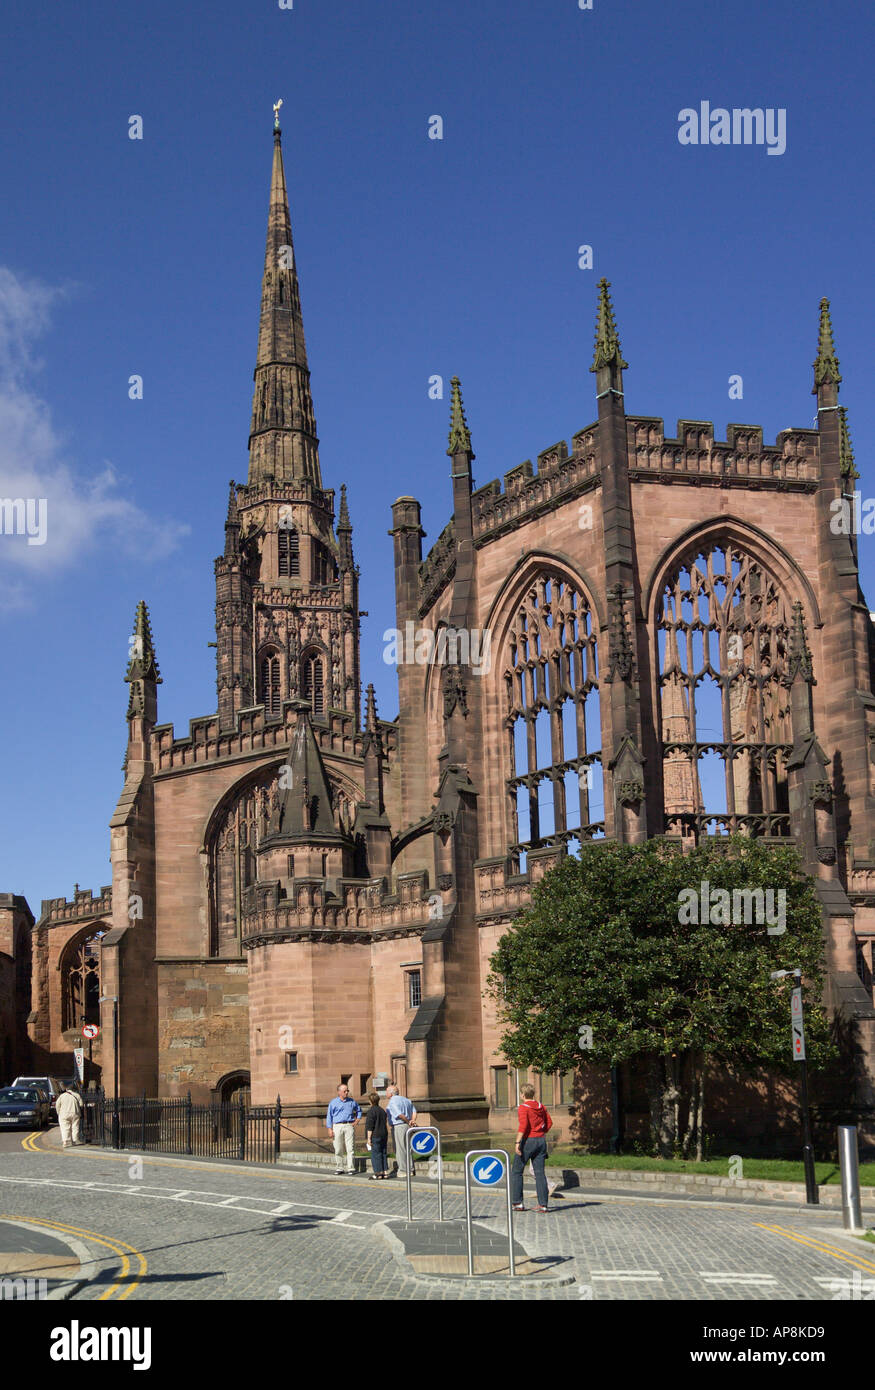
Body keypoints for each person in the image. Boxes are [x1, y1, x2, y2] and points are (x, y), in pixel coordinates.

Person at [511, 1082, 553, 1212]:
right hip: (541, 1141)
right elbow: (550, 1123)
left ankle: (518, 1203)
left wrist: (517, 1142)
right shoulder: (541, 1106)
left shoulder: (523, 1108)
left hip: (528, 1141)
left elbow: (523, 1126)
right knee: (540, 1173)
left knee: (517, 1171)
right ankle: (543, 1205)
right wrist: (541, 1132)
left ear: (522, 1095)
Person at [325, 1082, 362, 1175]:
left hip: (349, 1125)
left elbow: (359, 1110)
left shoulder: (352, 1101)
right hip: (337, 1126)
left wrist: (356, 1121)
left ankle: (351, 1168)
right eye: (345, 1091)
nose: (347, 1092)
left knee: (350, 1148)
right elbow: (329, 1116)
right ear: (339, 1092)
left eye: (347, 1090)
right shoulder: (333, 1102)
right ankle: (339, 1167)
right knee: (338, 1148)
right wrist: (329, 1128)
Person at [385, 1083, 417, 1177]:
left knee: (400, 1149)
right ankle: (410, 1169)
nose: (386, 1094)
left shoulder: (392, 1101)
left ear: (391, 1093)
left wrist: (407, 1121)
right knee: (408, 1148)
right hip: (408, 1126)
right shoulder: (406, 1100)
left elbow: (399, 1114)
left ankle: (403, 1170)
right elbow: (414, 1111)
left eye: (386, 1092)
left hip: (399, 1125)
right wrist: (412, 1121)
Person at [364, 1091, 389, 1179]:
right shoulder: (382, 1110)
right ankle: (385, 1172)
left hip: (375, 1135)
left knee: (376, 1154)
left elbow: (370, 1127)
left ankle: (378, 1173)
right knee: (383, 1153)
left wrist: (368, 1139)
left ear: (370, 1101)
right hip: (384, 1134)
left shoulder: (371, 1111)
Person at [55, 1084, 83, 1149]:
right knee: (75, 1127)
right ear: (74, 1089)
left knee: (65, 1128)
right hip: (75, 1113)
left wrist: (59, 1112)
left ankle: (66, 1142)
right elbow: (81, 1105)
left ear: (66, 1089)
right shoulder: (77, 1095)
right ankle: (75, 1140)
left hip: (63, 1114)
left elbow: (57, 1105)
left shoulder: (62, 1096)